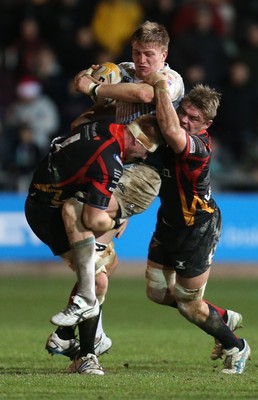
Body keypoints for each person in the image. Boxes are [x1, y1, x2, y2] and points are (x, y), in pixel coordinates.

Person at [46, 21, 244, 370]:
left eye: (149, 54)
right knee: (121, 270)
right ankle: (86, 337)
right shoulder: (124, 71)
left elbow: (143, 97)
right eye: (136, 52)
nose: (141, 61)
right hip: (126, 177)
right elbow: (93, 82)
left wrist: (94, 88)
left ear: (164, 55)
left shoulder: (170, 82)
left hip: (152, 184)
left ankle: (86, 346)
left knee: (89, 233)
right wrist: (92, 82)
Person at [25, 112, 162, 375]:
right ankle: (86, 356)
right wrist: (121, 214)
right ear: (138, 141)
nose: (144, 158)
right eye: (147, 151)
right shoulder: (109, 163)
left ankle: (65, 335)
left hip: (42, 198)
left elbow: (77, 125)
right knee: (98, 279)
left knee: (109, 263)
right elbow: (92, 218)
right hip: (51, 214)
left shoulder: (102, 128)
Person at [142, 72, 251, 374]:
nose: (185, 120)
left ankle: (236, 346)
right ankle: (220, 316)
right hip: (168, 223)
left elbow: (172, 133)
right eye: (183, 113)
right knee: (157, 293)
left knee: (190, 305)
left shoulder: (198, 147)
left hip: (197, 228)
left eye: (194, 117)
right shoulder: (170, 130)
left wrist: (160, 86)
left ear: (206, 125)